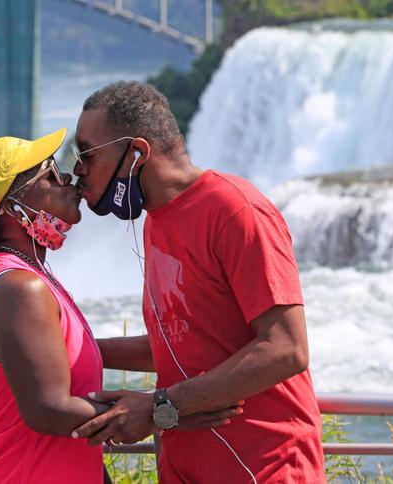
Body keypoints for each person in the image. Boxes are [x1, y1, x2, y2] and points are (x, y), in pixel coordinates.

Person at [0, 130, 239, 483]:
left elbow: (65, 424)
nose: (67, 179)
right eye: (51, 175)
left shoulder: (30, 278)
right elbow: (48, 410)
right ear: (12, 207)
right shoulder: (20, 288)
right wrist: (164, 411)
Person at [71, 81, 326, 483]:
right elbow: (182, 342)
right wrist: (75, 352)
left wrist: (158, 407)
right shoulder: (156, 221)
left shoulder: (235, 210)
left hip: (264, 468)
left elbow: (286, 349)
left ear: (136, 153)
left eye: (87, 154)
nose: (78, 171)